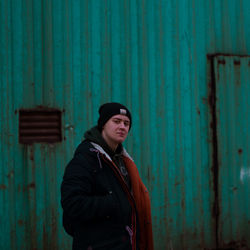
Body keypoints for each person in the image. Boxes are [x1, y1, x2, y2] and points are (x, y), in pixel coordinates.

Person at [61, 102, 154, 250]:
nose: (122, 127)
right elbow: (72, 203)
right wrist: (112, 203)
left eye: (126, 123)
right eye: (116, 121)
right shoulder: (86, 159)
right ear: (103, 124)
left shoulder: (123, 161)